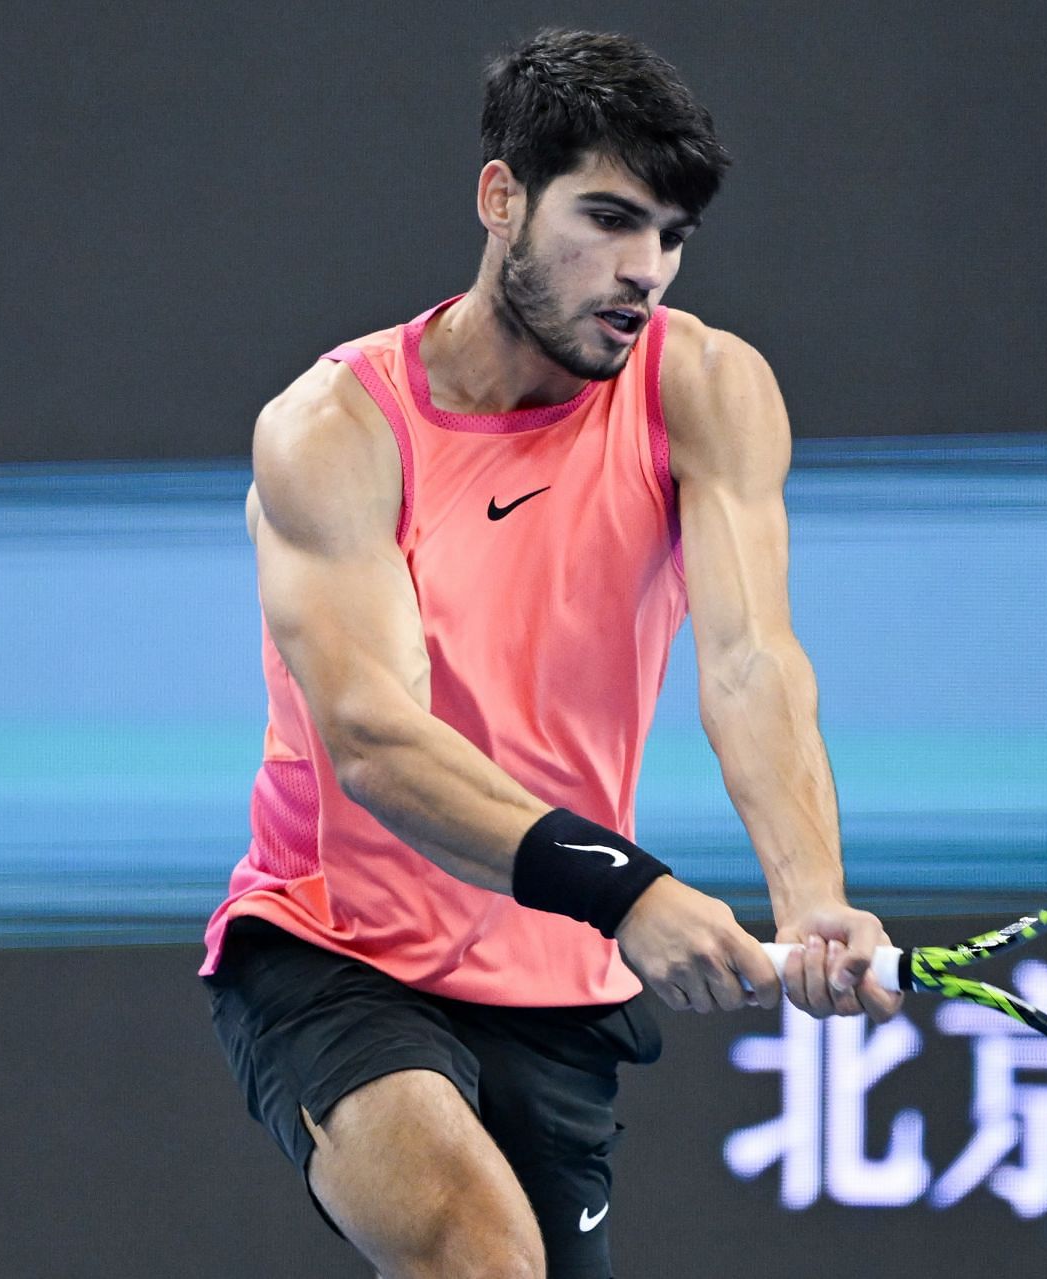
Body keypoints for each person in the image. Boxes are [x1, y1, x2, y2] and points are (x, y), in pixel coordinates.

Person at [199, 29, 898, 1278]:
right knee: (481, 1252)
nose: (646, 273)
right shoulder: (334, 431)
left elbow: (750, 665)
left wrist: (812, 898)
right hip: (335, 950)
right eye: (610, 220)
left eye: (672, 237)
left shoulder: (710, 390)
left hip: (554, 987)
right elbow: (373, 738)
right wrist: (629, 889)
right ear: (501, 198)